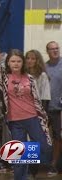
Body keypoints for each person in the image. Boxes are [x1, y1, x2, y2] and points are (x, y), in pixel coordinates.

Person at [0, 29, 52, 180]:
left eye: (19, 61)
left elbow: (38, 100)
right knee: (19, 155)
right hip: (14, 120)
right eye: (13, 61)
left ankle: (28, 164)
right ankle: (20, 176)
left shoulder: (29, 77)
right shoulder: (3, 76)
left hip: (33, 118)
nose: (16, 64)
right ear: (8, 62)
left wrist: (44, 117)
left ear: (23, 62)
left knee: (46, 148)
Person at [45, 41, 62, 176]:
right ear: (47, 51)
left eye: (57, 48)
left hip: (58, 109)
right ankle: (30, 165)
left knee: (58, 137)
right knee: (34, 136)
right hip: (43, 109)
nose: (55, 50)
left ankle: (53, 165)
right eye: (52, 49)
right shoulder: (43, 67)